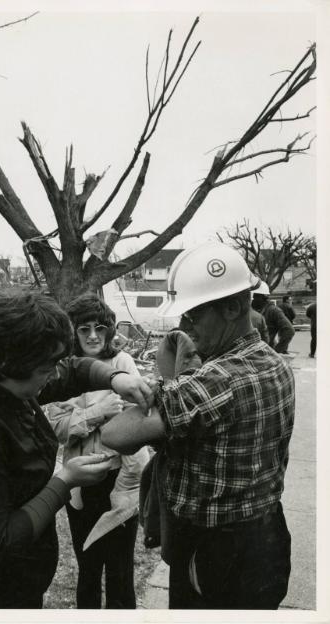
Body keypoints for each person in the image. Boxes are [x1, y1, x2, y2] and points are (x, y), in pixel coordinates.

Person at [0, 292, 152, 609]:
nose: (55, 374)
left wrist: (116, 377)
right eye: (47, 367)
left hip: (13, 587)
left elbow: (71, 370)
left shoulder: (2, 381)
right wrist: (64, 481)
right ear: (13, 362)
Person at [101, 241, 295, 610]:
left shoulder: (212, 382)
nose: (184, 327)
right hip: (267, 535)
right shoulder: (275, 362)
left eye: (192, 316)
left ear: (234, 307)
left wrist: (167, 384)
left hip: (217, 552)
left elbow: (117, 435)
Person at [47, 293, 149, 609]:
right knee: (88, 569)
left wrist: (85, 417)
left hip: (121, 479)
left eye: (100, 329)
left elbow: (137, 422)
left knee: (120, 572)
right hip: (80, 484)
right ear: (72, 333)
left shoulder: (122, 365)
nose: (93, 336)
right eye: (84, 329)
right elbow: (55, 425)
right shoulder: (61, 372)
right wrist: (98, 412)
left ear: (109, 331)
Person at [251, 281, 295, 353]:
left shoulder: (273, 311)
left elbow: (289, 330)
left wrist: (276, 351)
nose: (252, 300)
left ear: (263, 297)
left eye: (254, 297)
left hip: (264, 353)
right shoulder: (253, 309)